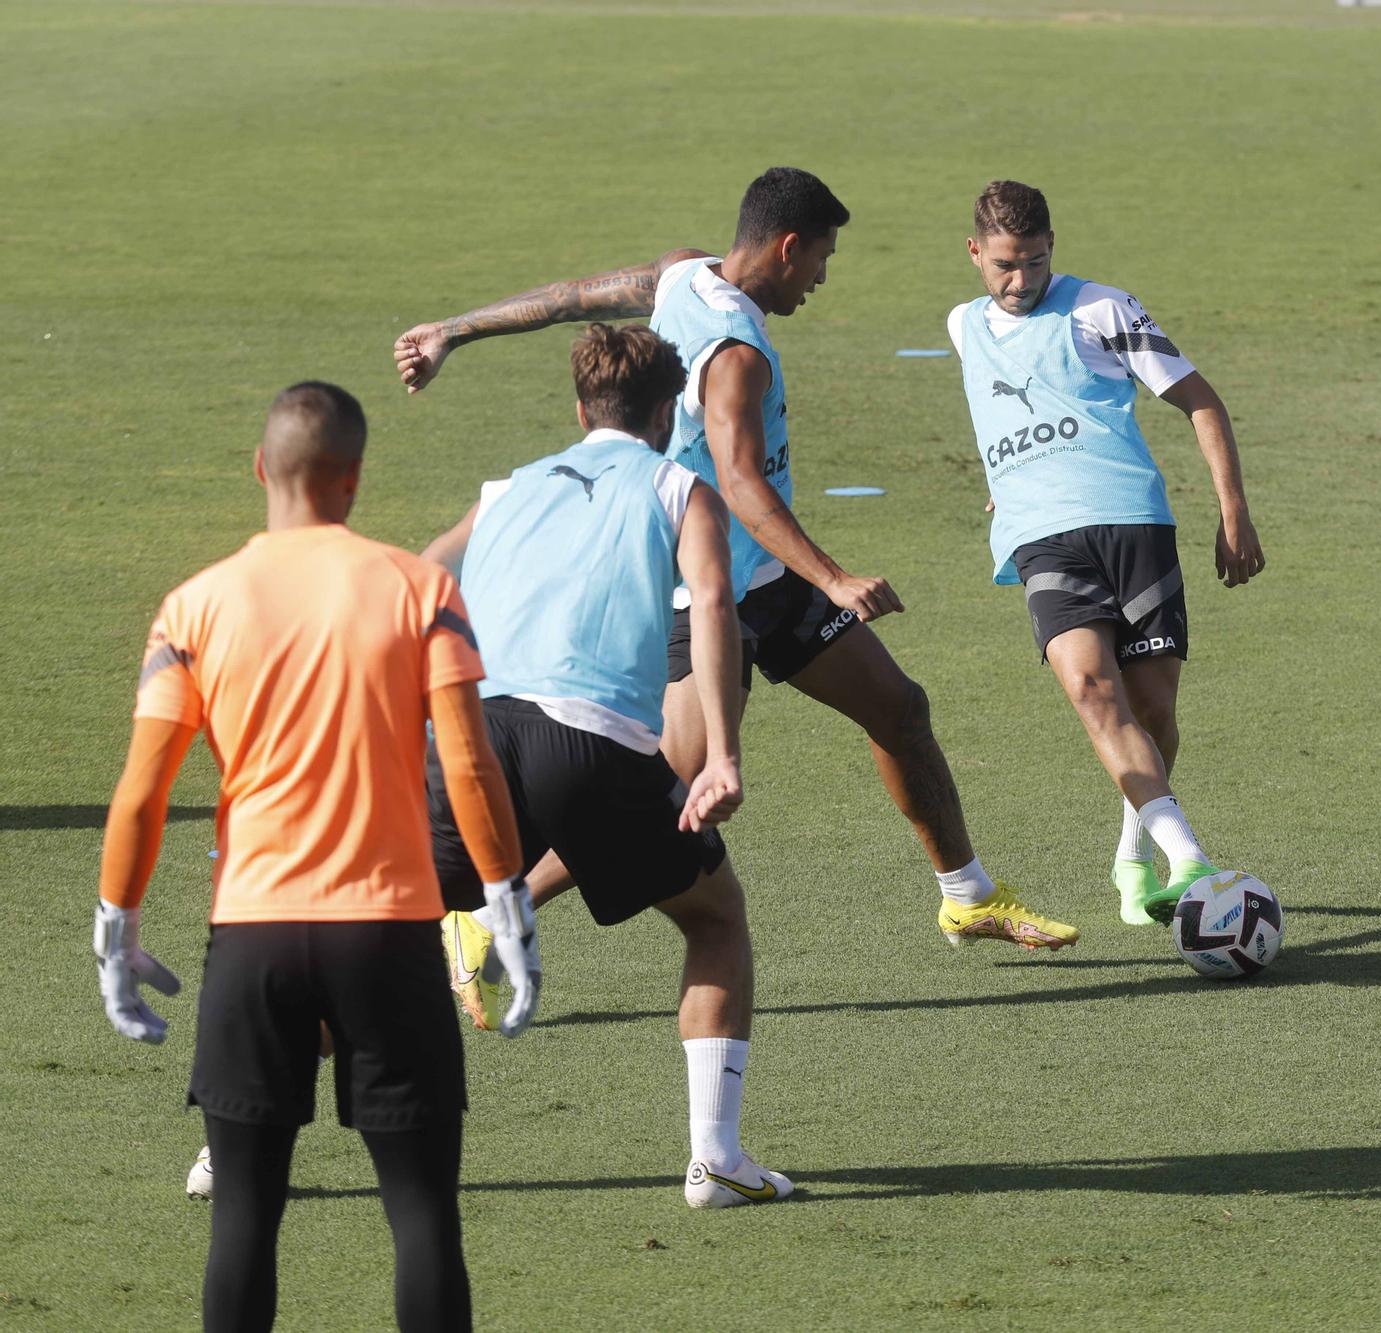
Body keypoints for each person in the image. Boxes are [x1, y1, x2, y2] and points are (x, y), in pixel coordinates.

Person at [394, 167, 1075, 952]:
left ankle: (967, 895)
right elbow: (743, 483)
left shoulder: (681, 272)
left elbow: (570, 298)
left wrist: (455, 329)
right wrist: (836, 578)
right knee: (666, 788)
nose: (822, 276)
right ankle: (485, 918)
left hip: (768, 576)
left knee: (900, 710)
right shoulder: (738, 355)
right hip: (700, 582)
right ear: (788, 248)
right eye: (822, 257)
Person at [92, 382, 537, 1332]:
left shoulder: (194, 604)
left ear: (262, 469)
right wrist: (505, 895)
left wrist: (116, 924)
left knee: (245, 1215)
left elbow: (142, 792)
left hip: (251, 937)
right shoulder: (420, 588)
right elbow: (467, 760)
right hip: (387, 935)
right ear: (355, 479)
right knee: (422, 1215)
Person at [422, 323, 792, 1207]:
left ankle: (231, 1146)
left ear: (579, 407)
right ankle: (715, 1159)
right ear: (670, 412)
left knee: (362, 937)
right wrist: (724, 756)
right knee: (714, 919)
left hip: (467, 739)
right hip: (587, 744)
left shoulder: (505, 489)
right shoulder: (679, 486)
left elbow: (418, 577)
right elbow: (710, 605)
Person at [946, 180, 1266, 926]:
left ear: (1053, 245)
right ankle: (1189, 856)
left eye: (1032, 262)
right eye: (1002, 265)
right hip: (1042, 536)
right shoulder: (964, 326)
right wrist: (1012, 480)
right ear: (973, 253)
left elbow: (1200, 399)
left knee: (1152, 709)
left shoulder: (1102, 309)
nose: (1019, 281)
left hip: (1134, 523)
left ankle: (1133, 859)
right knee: (1095, 690)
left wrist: (1234, 513)